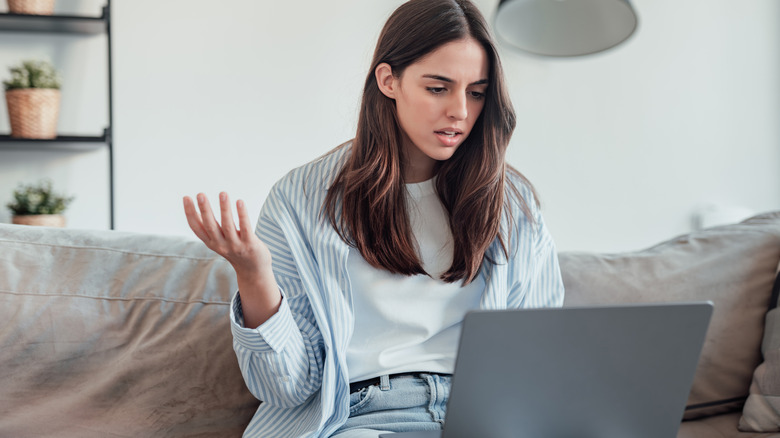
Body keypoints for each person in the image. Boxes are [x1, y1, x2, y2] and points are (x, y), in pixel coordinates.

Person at [183, 0, 564, 436]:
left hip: (480, 418)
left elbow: (538, 362)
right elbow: (287, 388)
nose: (460, 111)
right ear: (389, 80)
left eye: (476, 92)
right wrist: (254, 276)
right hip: (360, 417)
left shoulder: (512, 203)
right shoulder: (301, 199)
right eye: (438, 88)